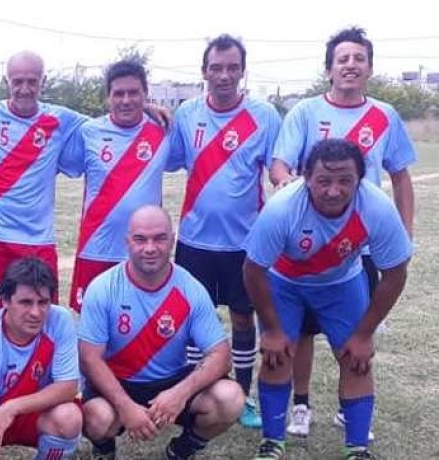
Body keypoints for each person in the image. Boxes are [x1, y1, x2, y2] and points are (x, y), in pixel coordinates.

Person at [268, 26, 416, 439]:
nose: (351, 66)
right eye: (343, 59)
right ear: (329, 69)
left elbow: (401, 177)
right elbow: (280, 163)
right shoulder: (305, 113)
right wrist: (285, 189)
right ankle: (300, 405)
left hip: (361, 245)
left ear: (369, 67)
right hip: (309, 237)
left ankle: (347, 410)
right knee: (300, 330)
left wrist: (404, 235)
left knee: (355, 330)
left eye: (359, 59)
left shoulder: (384, 115)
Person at [243, 139, 411, 459]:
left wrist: (364, 335)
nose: (334, 191)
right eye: (324, 181)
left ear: (359, 180)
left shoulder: (377, 208)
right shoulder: (281, 208)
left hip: (341, 283)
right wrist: (273, 331)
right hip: (284, 282)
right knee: (277, 356)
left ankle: (357, 447)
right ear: (306, 178)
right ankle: (272, 443)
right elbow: (252, 270)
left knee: (357, 360)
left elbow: (395, 274)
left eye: (344, 181)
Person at [167, 34, 282, 429]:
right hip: (195, 240)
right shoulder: (186, 114)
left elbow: (277, 169)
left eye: (232, 67)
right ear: (204, 72)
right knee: (191, 322)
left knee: (242, 319)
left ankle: (243, 394)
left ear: (243, 71)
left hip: (245, 244)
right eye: (216, 67)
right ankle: (194, 392)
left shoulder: (264, 116)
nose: (224, 75)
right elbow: (170, 158)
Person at [79, 205, 244, 460]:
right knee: (97, 418)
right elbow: (89, 359)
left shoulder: (191, 288)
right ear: (127, 242)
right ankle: (104, 450)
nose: (150, 248)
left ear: (172, 240)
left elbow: (221, 356)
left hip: (171, 382)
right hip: (117, 381)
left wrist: (180, 393)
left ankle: (182, 450)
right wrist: (125, 406)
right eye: (140, 239)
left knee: (230, 398)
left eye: (159, 238)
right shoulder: (103, 288)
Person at [0, 51, 87, 313]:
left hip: (37, 237)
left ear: (42, 82)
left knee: (40, 312)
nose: (24, 89)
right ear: (6, 81)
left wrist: (147, 106)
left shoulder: (62, 119)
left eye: (32, 81)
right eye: (17, 81)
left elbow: (109, 123)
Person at [59, 58, 170, 312]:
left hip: (144, 252)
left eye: (134, 93)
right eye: (118, 94)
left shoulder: (164, 130)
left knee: (140, 326)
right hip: (95, 249)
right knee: (92, 326)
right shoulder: (88, 131)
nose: (126, 100)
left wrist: (151, 109)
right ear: (108, 97)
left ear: (146, 94)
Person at [0, 257, 81, 460]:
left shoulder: (60, 320)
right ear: (5, 301)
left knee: (69, 417)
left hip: (31, 409)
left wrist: (12, 408)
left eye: (43, 302)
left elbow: (68, 387)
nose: (36, 312)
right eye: (26, 302)